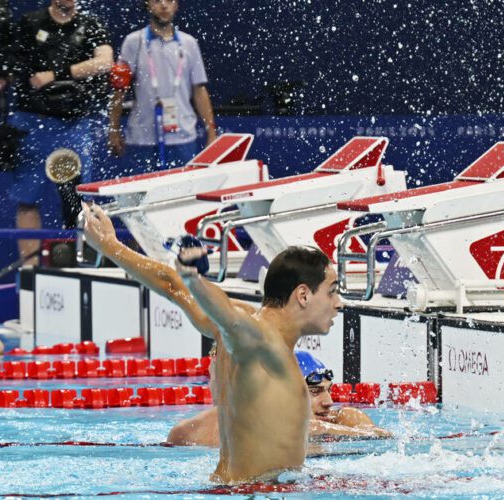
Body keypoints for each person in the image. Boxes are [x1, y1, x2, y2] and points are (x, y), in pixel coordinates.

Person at [82, 202, 342, 483]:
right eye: (332, 292)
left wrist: (109, 245)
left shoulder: (244, 325)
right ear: (303, 295)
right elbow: (228, 317)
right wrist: (195, 280)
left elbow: (172, 284)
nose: (338, 304)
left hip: (226, 488)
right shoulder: (262, 342)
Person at [0, 0, 113, 265]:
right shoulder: (29, 24)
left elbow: (105, 62)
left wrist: (56, 74)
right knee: (27, 198)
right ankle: (30, 270)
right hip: (32, 122)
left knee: (80, 199)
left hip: (74, 125)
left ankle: (82, 264)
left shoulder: (91, 25)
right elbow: (11, 64)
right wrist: (3, 75)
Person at [166, 350, 391, 447]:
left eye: (328, 389)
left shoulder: (343, 418)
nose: (328, 401)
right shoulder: (194, 430)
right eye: (314, 392)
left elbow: (384, 438)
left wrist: (340, 430)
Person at [108, 0, 217, 172]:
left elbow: (199, 90)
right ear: (147, 4)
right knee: (141, 197)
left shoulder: (189, 43)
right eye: (157, 1)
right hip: (141, 138)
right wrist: (113, 130)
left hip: (182, 136)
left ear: (177, 5)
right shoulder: (133, 42)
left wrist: (211, 134)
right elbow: (119, 90)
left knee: (182, 196)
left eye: (169, 0)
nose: (164, 5)